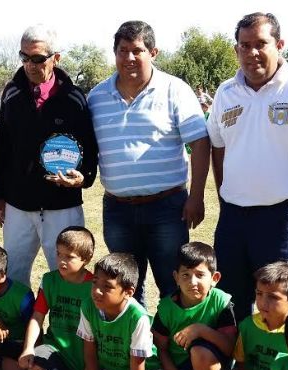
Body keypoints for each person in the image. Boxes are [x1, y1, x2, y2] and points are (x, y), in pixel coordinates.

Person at [207, 12, 288, 322]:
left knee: (278, 302)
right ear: (236, 49)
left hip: (283, 216)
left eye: (261, 44)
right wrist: (224, 196)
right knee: (229, 299)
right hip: (233, 217)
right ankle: (238, 354)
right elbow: (218, 147)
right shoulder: (226, 92)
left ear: (279, 45)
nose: (252, 52)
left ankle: (278, 355)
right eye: (244, 45)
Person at [87, 21, 210, 306]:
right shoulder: (96, 97)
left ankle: (172, 336)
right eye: (122, 50)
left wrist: (196, 197)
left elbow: (200, 143)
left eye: (137, 50)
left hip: (167, 208)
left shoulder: (175, 90)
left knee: (173, 284)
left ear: (153, 52)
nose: (129, 57)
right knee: (125, 288)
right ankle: (137, 336)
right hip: (117, 210)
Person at [0, 25, 98, 287]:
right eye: (24, 57)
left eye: (38, 58)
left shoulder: (74, 98)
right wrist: (0, 194)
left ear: (55, 58)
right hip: (18, 205)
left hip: (62, 206)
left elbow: (89, 147)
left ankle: (65, 318)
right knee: (13, 278)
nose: (30, 65)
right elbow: (1, 147)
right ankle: (23, 318)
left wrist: (84, 178)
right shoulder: (12, 94)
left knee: (69, 278)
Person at [151, 242, 236, 370]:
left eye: (200, 275)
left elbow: (229, 348)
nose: (193, 282)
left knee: (199, 350)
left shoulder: (221, 302)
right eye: (186, 275)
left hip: (212, 361)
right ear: (176, 278)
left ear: (214, 278)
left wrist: (201, 330)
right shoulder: (166, 308)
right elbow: (161, 349)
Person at [76, 253, 162, 370]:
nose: (97, 291)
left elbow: (138, 364)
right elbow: (89, 351)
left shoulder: (137, 317)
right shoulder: (88, 306)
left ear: (128, 292)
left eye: (107, 287)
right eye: (95, 283)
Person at [18, 226, 95, 370]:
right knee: (35, 363)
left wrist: (93, 365)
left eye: (69, 257)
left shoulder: (95, 287)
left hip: (84, 354)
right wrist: (28, 348)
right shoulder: (49, 280)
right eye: (59, 254)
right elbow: (37, 317)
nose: (61, 261)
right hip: (55, 348)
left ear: (86, 259)